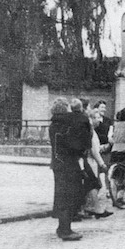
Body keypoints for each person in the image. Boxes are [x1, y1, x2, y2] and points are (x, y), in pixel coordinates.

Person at [50, 98, 91, 241]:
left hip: (58, 163)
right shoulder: (65, 125)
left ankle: (62, 227)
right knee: (68, 197)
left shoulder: (54, 124)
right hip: (68, 164)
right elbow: (72, 144)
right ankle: (65, 230)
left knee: (61, 196)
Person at [83, 108, 113, 219]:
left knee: (92, 185)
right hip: (91, 161)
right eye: (96, 118)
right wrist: (102, 164)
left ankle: (90, 207)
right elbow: (94, 151)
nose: (99, 120)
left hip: (91, 160)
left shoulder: (92, 131)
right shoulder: (91, 131)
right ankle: (95, 208)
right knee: (94, 184)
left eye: (99, 117)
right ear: (90, 119)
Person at [108, 107, 125, 208]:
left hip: (115, 150)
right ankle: (122, 195)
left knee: (116, 175)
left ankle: (114, 197)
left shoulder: (117, 124)